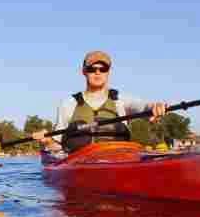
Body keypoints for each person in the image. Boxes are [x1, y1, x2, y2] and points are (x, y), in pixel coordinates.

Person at [31, 51, 168, 153]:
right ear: (84, 71)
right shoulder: (68, 104)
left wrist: (154, 106)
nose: (98, 72)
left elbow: (143, 106)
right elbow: (57, 146)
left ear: (108, 72)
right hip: (79, 164)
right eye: (92, 69)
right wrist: (47, 140)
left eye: (103, 69)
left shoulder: (121, 100)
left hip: (118, 160)